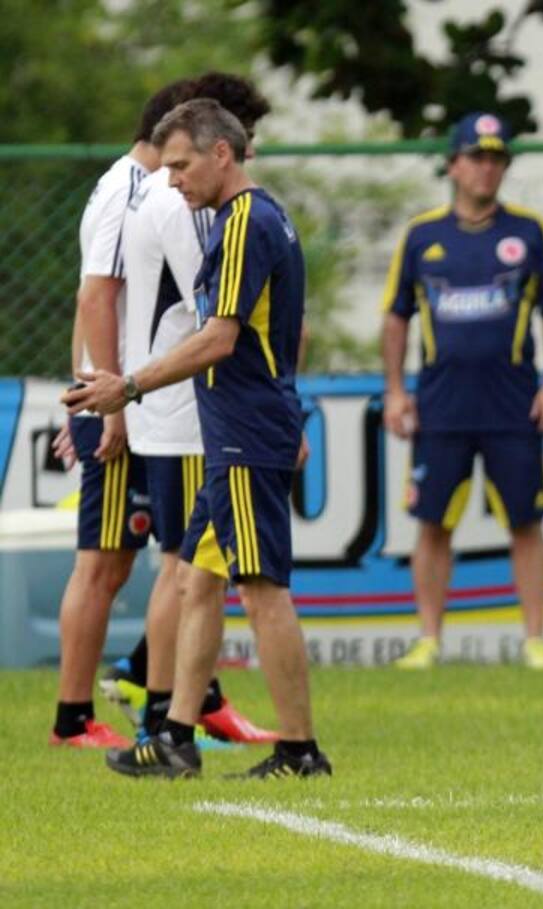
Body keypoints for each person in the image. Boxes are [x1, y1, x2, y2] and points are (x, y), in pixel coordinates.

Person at [65, 98, 329, 779]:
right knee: (199, 580)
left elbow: (218, 337)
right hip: (236, 430)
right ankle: (176, 734)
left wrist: (126, 386)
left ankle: (299, 749)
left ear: (221, 154)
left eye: (181, 165)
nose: (172, 178)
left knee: (262, 586)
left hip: (244, 431)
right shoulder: (252, 215)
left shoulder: (243, 223)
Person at [98, 73, 279, 747]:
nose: (247, 149)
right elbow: (216, 315)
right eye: (242, 135)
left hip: (167, 402)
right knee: (186, 566)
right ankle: (161, 705)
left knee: (187, 564)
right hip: (182, 406)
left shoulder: (153, 196)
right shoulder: (186, 208)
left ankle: (170, 698)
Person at [380, 112, 543, 671]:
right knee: (432, 522)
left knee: (526, 521)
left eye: (497, 158)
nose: (488, 169)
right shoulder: (422, 235)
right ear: (453, 164)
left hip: (514, 402)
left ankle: (535, 638)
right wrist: (395, 391)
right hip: (440, 404)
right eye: (477, 157)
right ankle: (428, 638)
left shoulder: (529, 231)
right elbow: (395, 318)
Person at [48, 81, 192, 749]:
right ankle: (73, 717)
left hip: (126, 393)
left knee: (148, 559)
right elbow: (94, 295)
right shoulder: (129, 189)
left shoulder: (142, 188)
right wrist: (104, 401)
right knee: (103, 563)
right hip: (120, 402)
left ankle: (153, 691)